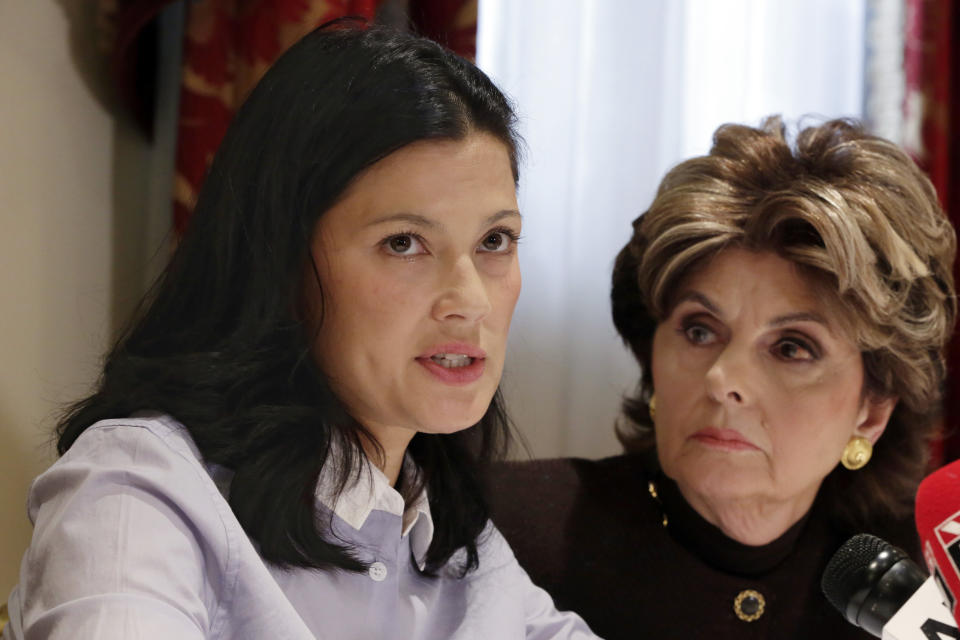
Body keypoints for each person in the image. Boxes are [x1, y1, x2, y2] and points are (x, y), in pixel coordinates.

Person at [4, 24, 596, 640]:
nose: (471, 302)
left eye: (494, 241)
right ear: (281, 263)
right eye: (404, 243)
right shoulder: (141, 488)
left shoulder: (454, 538)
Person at [488, 116, 957, 639]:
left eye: (791, 347)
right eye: (699, 330)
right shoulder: (501, 533)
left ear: (871, 411)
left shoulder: (917, 583)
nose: (722, 378)